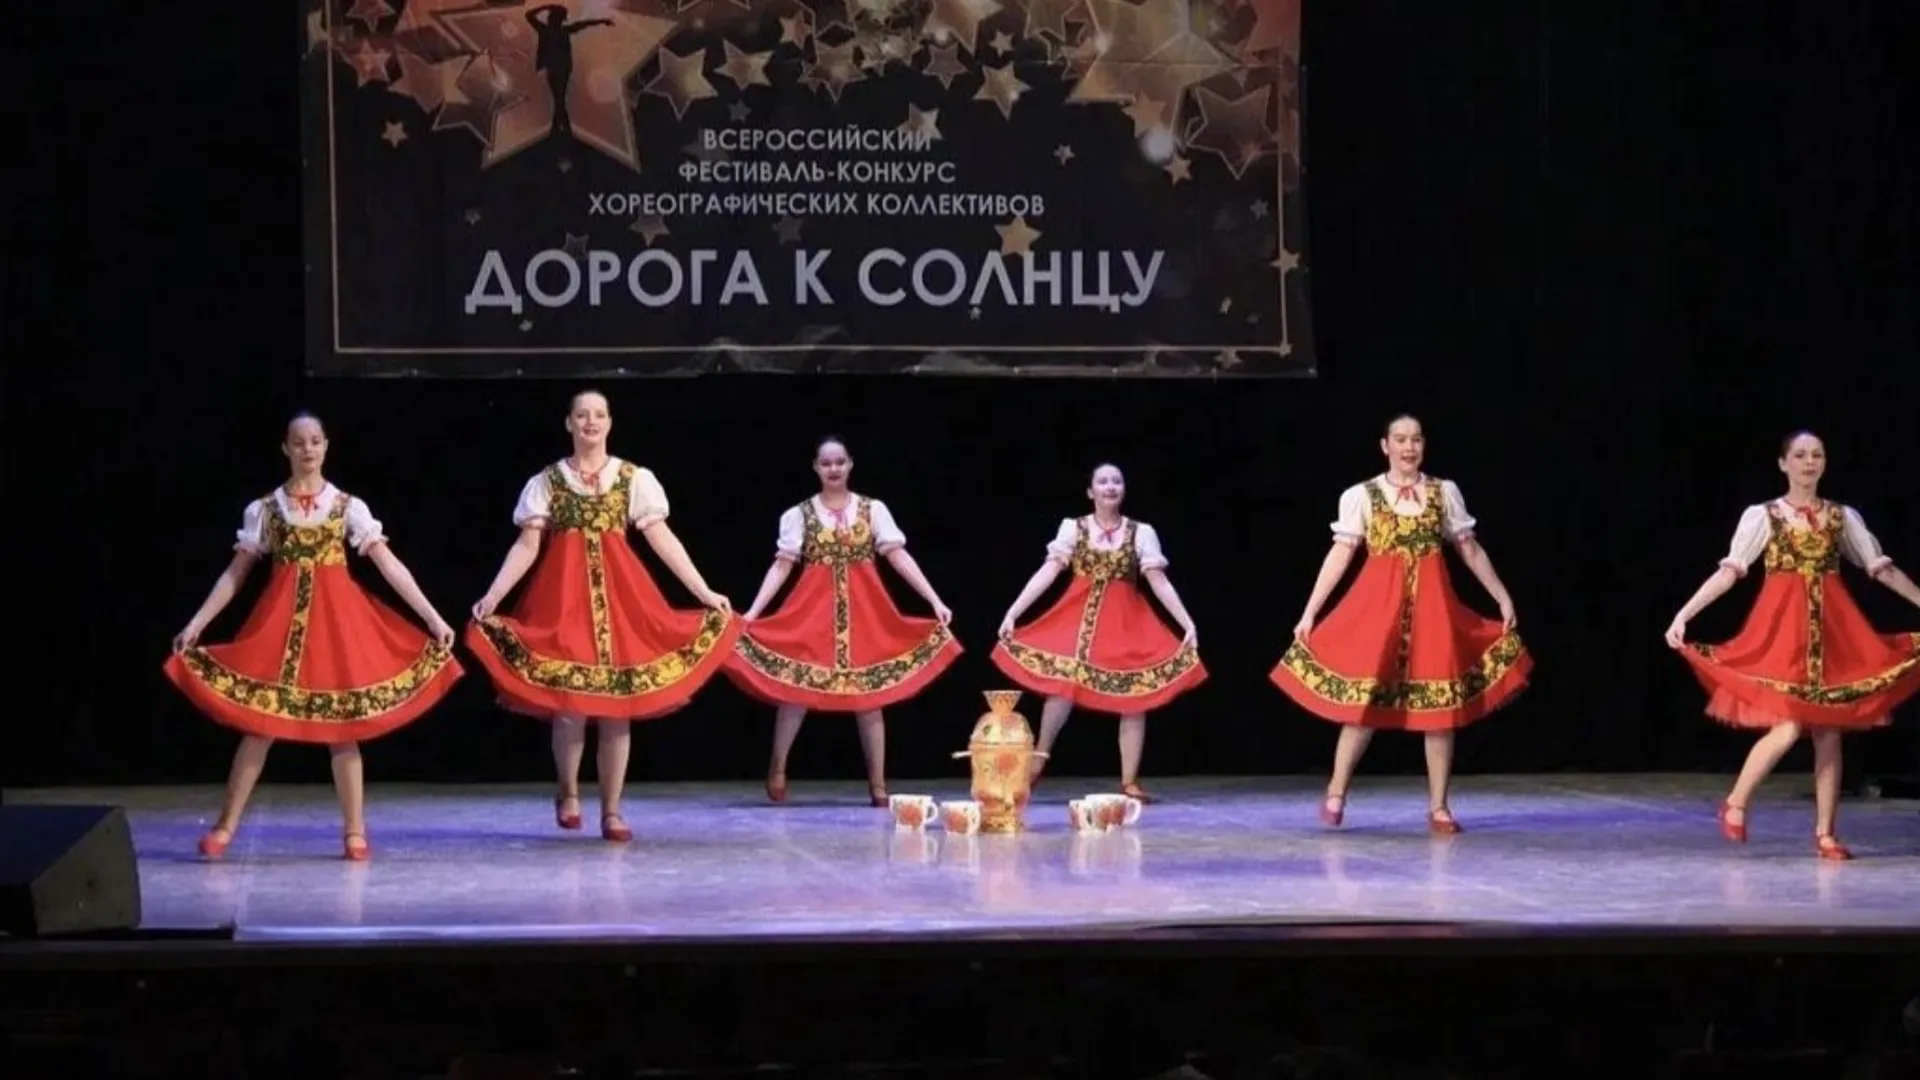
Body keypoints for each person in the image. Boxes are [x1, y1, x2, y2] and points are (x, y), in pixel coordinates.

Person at [164, 412, 461, 861]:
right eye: (299, 442)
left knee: (343, 729)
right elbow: (235, 575)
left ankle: (354, 831)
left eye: (316, 441)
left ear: (326, 446)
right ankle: (225, 827)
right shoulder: (266, 509)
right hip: (279, 629)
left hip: (336, 628)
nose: (308, 449)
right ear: (285, 448)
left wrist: (433, 618)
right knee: (258, 727)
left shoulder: (347, 506)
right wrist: (197, 623)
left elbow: (389, 566)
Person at [466, 390, 739, 842]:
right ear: (569, 423)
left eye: (598, 415)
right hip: (563, 602)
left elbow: (662, 539)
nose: (590, 422)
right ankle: (568, 791)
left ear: (609, 423)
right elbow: (527, 545)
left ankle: (612, 810)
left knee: (617, 709)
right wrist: (494, 595)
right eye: (581, 415)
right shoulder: (548, 481)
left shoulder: (632, 478)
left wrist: (703, 591)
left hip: (621, 602)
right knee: (570, 706)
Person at [1665, 431, 1920, 860]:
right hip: (1782, 634)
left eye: (1817, 455)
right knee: (1786, 726)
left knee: (1829, 731)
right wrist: (1684, 613)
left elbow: (1880, 569)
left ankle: (1825, 834)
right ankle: (1736, 801)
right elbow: (1730, 572)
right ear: (1784, 463)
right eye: (1800, 455)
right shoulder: (1765, 516)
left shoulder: (1841, 517)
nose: (1809, 462)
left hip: (1834, 632)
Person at [1272, 414, 1529, 834]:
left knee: (1440, 709)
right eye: (1400, 439)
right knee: (1363, 705)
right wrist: (1311, 611)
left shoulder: (1443, 492)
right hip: (1377, 611)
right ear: (1385, 445)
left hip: (1433, 611)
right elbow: (1340, 554)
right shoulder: (1362, 495)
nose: (1409, 447)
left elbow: (1469, 549)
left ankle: (1439, 806)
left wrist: (1501, 596)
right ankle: (1336, 791)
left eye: (1416, 439)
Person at [727, 437, 961, 806]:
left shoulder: (872, 510)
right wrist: (754, 613)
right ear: (816, 468)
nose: (833, 469)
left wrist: (934, 599)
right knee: (795, 690)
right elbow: (782, 566)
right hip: (811, 615)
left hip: (866, 616)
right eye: (826, 463)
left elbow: (898, 557)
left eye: (839, 462)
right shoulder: (800, 514)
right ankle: (778, 767)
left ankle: (878, 783)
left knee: (870, 697)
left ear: (850, 464)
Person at [991, 463, 1204, 801]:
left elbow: (1158, 581)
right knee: (1062, 686)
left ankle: (1129, 780)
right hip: (1076, 619)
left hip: (1125, 623)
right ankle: (1038, 760)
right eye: (1102, 482)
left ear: (1124, 489)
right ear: (1091, 492)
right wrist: (1014, 612)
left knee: (1135, 694)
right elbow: (1048, 571)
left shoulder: (1141, 532)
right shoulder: (1073, 528)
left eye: (1116, 481)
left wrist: (1186, 622)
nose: (1110, 486)